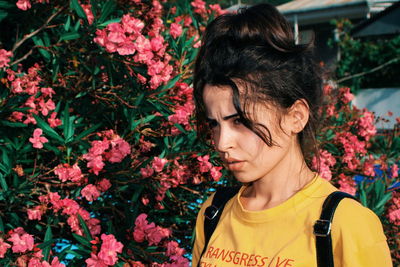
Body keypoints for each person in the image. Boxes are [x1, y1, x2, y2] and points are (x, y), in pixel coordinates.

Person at [191, 3, 392, 267]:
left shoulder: (345, 225)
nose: (222, 143)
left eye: (240, 121)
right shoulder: (213, 213)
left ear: (295, 117)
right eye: (215, 124)